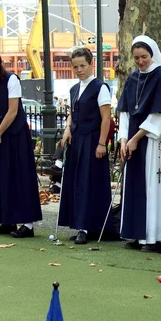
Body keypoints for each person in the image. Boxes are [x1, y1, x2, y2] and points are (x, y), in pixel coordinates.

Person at [117, 35, 161, 253]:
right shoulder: (133, 78)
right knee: (135, 185)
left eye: (144, 57)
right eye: (136, 58)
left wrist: (136, 138)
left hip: (154, 138)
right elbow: (125, 111)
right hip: (134, 137)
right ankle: (137, 233)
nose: (140, 61)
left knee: (154, 184)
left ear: (151, 54)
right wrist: (124, 139)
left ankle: (155, 238)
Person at [0, 44, 42, 237]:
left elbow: (13, 111)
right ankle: (8, 220)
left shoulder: (11, 79)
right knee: (2, 177)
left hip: (16, 135)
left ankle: (28, 225)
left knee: (21, 176)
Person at [58, 47, 112, 245]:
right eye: (75, 67)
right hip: (76, 140)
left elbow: (106, 118)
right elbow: (73, 112)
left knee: (88, 183)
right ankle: (79, 224)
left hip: (92, 140)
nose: (79, 70)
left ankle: (88, 227)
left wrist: (101, 144)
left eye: (82, 65)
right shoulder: (74, 89)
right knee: (76, 182)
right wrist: (67, 129)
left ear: (91, 64)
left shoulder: (100, 87)